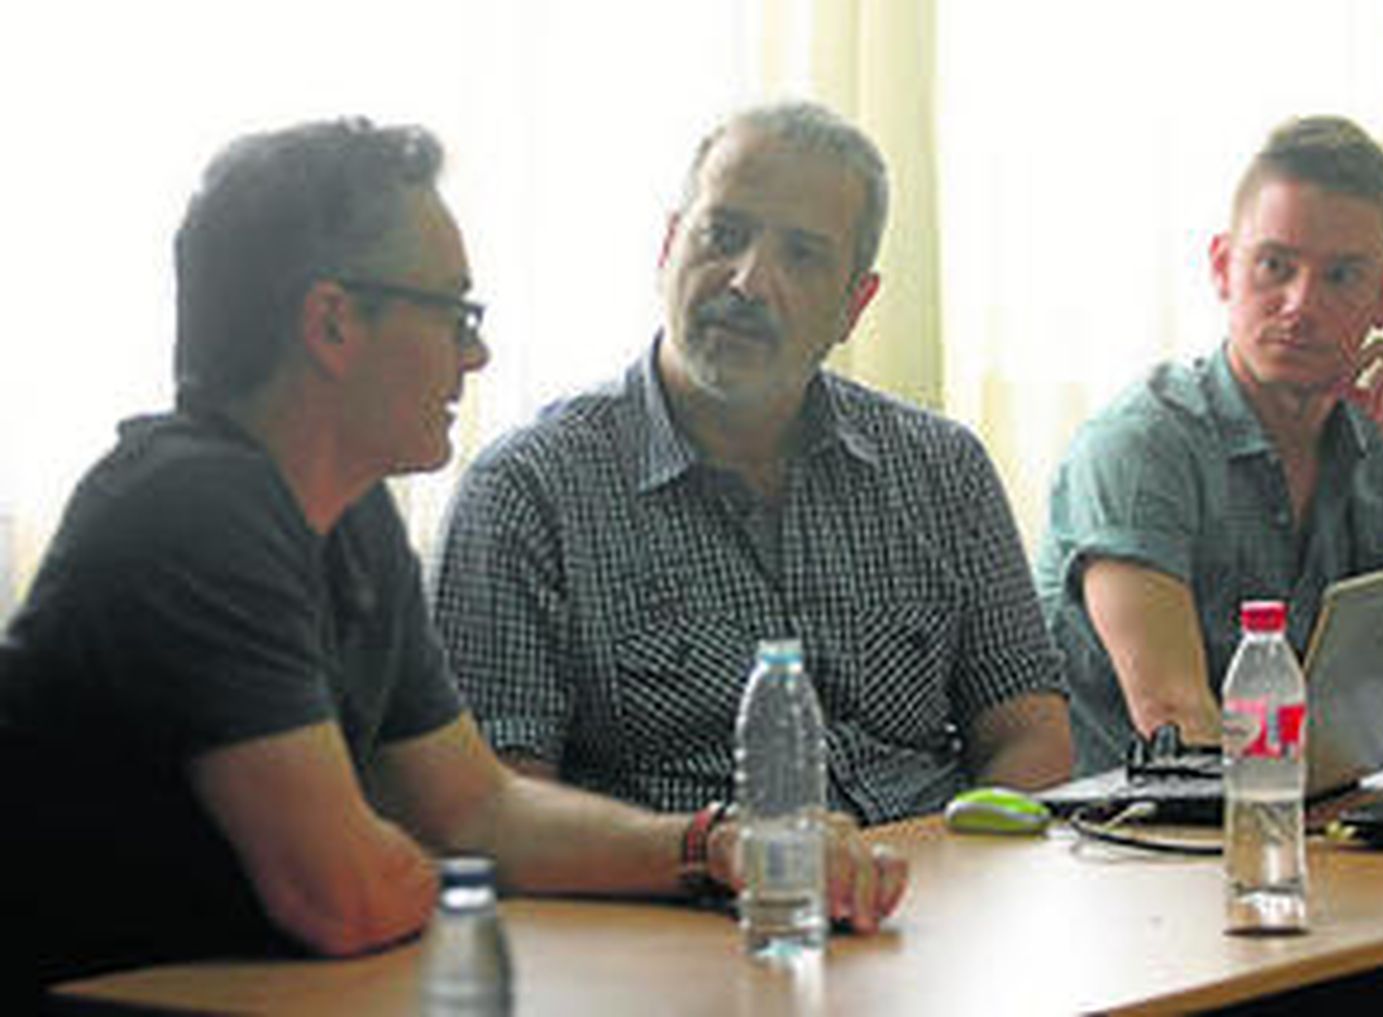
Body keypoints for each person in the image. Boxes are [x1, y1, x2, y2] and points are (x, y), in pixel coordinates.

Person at [0, 118, 905, 993]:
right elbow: (345, 897)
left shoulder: (344, 512)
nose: (476, 355)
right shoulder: (192, 506)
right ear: (334, 324)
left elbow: (481, 809)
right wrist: (446, 864)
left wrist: (713, 842)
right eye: (454, 312)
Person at [429, 101, 1074, 826]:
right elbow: (499, 808)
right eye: (722, 235)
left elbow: (1029, 731)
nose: (747, 281)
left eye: (801, 255)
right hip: (677, 915)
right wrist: (716, 861)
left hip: (928, 899)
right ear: (669, 245)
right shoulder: (529, 489)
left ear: (854, 306)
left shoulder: (942, 469)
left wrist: (948, 875)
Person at [1034, 115, 1383, 776]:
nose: (1300, 304)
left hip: (1314, 823)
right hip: (1128, 839)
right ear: (1223, 268)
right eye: (1275, 266)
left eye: (1341, 276)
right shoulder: (1141, 444)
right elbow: (1174, 716)